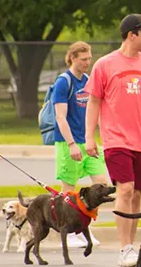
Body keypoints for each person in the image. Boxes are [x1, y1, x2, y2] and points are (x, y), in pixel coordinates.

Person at [84, 14, 141, 267]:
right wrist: (89, 137)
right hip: (115, 138)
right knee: (125, 189)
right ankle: (125, 247)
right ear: (132, 34)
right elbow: (94, 101)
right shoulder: (105, 65)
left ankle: (133, 249)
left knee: (137, 193)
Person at [53, 42, 108, 248]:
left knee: (101, 186)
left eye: (89, 58)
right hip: (69, 143)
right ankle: (68, 230)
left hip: (88, 143)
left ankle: (85, 227)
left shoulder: (87, 81)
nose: (87, 62)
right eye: (83, 59)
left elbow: (96, 112)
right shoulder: (63, 82)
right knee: (68, 189)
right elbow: (61, 117)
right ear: (73, 57)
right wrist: (71, 144)